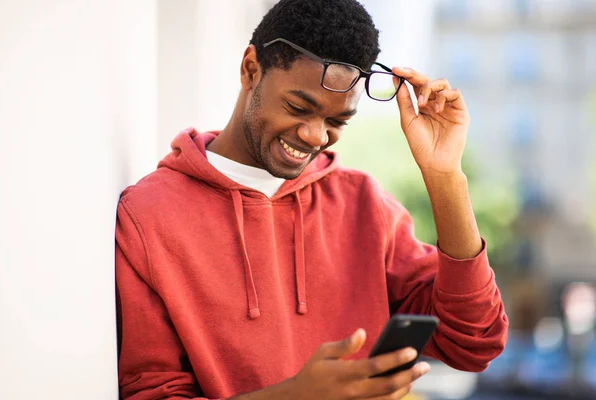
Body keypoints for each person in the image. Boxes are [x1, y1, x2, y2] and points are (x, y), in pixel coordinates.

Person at [115, 0, 508, 399]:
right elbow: (151, 392)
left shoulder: (366, 206)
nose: (316, 136)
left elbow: (475, 342)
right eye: (299, 108)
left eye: (337, 122)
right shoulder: (150, 214)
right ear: (250, 69)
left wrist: (445, 178)